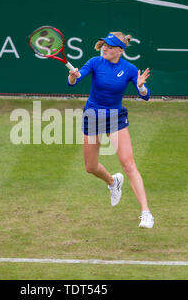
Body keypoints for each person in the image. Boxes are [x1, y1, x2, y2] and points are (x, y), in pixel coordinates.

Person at [67, 31, 154, 228]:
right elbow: (74, 81)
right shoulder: (95, 62)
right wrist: (73, 77)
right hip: (93, 115)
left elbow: (146, 95)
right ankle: (113, 182)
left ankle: (146, 213)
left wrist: (141, 87)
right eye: (104, 45)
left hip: (115, 118)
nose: (104, 48)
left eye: (110, 46)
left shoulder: (130, 69)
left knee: (129, 164)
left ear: (120, 50)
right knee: (90, 167)